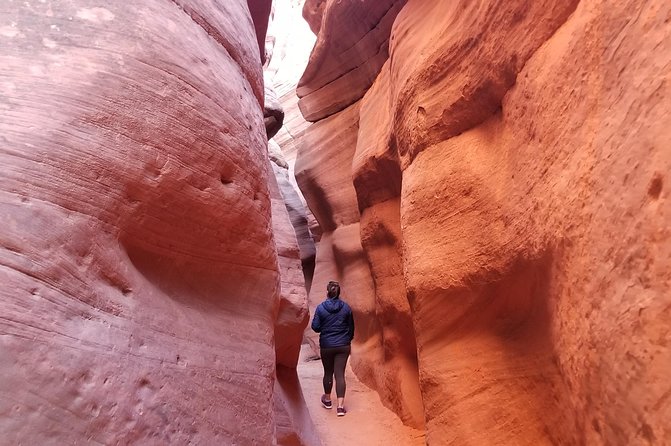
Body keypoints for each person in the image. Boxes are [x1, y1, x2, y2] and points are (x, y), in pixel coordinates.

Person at [311, 281, 355, 416]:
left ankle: (328, 400)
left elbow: (315, 327)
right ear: (339, 292)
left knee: (328, 372)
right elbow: (351, 328)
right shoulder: (346, 308)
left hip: (327, 346)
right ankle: (340, 407)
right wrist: (347, 339)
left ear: (327, 292)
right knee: (340, 374)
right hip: (343, 345)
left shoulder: (320, 308)